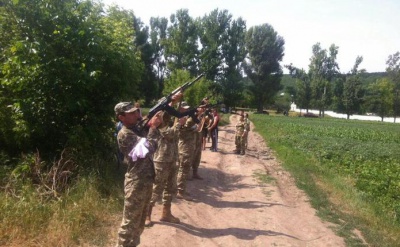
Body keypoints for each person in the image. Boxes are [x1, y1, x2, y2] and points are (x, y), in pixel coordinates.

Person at [114, 102, 163, 247]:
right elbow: (149, 148)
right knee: (129, 225)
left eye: (136, 112)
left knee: (140, 223)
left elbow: (148, 124)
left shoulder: (136, 128)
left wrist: (170, 102)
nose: (136, 115)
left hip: (145, 181)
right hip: (136, 183)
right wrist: (153, 127)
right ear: (121, 117)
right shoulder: (125, 134)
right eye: (131, 113)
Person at [145, 111, 180, 227]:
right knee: (156, 188)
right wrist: (179, 123)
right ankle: (147, 215)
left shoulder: (170, 124)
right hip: (161, 161)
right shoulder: (160, 125)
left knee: (170, 188)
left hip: (172, 159)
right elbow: (171, 134)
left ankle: (166, 213)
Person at [175, 102, 203, 200]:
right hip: (184, 149)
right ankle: (180, 191)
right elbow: (191, 123)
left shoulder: (185, 118)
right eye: (184, 109)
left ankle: (181, 189)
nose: (186, 110)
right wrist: (197, 114)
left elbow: (195, 126)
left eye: (187, 109)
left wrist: (197, 114)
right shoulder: (182, 120)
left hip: (188, 147)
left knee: (184, 169)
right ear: (180, 109)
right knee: (183, 169)